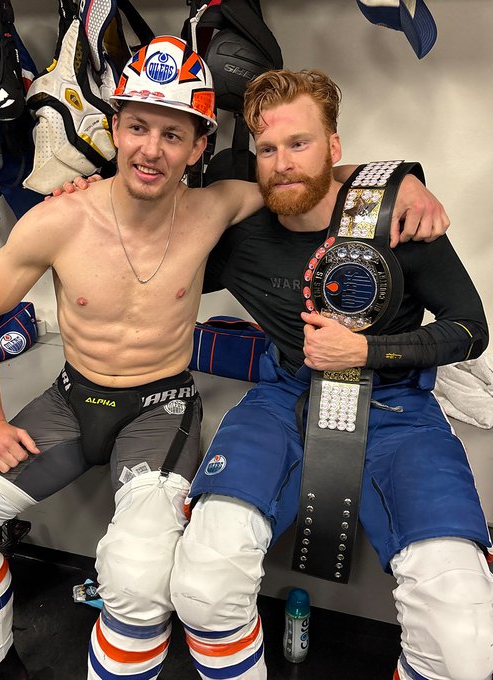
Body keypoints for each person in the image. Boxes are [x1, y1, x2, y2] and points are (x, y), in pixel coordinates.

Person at [0, 35, 448, 680]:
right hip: (73, 398)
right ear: (115, 127)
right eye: (137, 127)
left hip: (160, 408)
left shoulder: (219, 205)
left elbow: (302, 174)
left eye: (172, 134)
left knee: (137, 578)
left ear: (199, 147)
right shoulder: (57, 220)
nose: (151, 149)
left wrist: (403, 180)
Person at [167, 69, 493, 680]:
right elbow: (147, 219)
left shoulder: (397, 216)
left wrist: (368, 352)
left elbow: (470, 329)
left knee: (465, 636)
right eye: (268, 148)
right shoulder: (236, 235)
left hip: (398, 409)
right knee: (204, 582)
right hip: (285, 397)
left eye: (300, 143)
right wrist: (81, 193)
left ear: (335, 149)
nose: (283, 162)